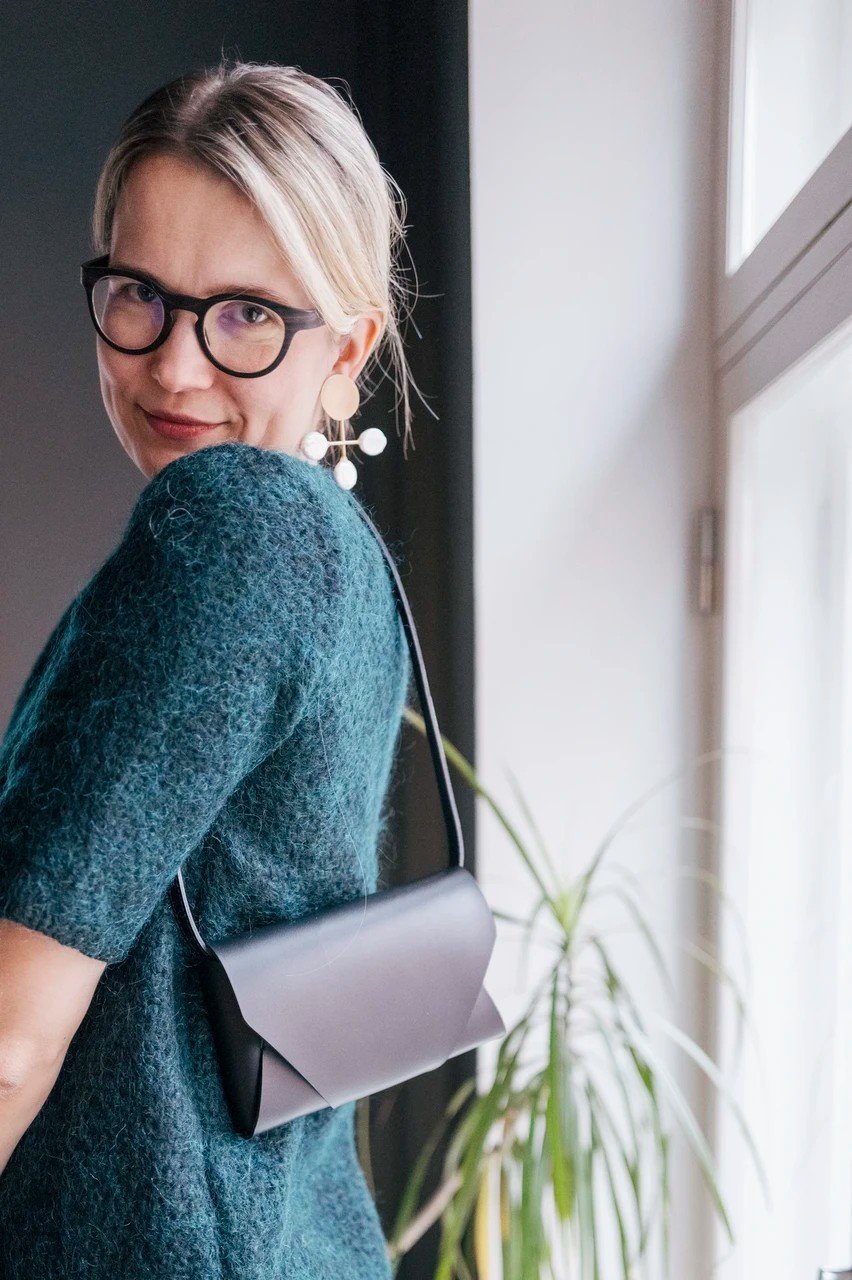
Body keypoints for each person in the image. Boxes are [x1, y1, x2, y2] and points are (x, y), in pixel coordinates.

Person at [0, 59, 421, 1278]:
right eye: (142, 294)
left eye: (247, 314)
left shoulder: (234, 529)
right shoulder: (342, 556)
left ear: (347, 349)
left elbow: (14, 1036)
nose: (175, 365)